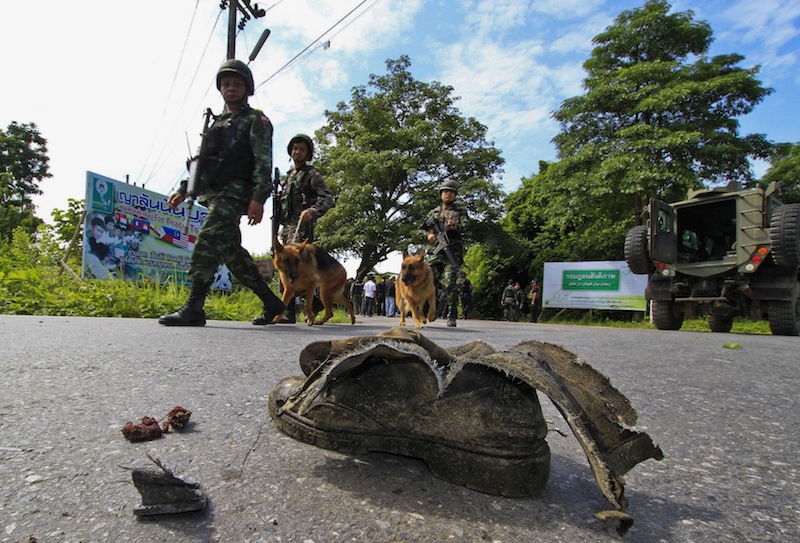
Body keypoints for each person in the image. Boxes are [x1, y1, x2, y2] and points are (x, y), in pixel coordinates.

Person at [159, 59, 285, 327]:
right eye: (226, 84)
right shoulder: (216, 125)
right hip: (216, 192)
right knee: (231, 252)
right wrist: (184, 189)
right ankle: (271, 301)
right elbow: (203, 163)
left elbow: (263, 160)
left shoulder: (256, 120)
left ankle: (194, 306)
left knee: (207, 239)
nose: (231, 89)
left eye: (237, 84)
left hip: (237, 192)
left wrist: (259, 198)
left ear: (247, 89)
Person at [274, 133, 335, 323]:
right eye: (294, 148)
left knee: (294, 268)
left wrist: (313, 211)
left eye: (301, 149)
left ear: (307, 153)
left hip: (302, 228)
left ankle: (290, 312)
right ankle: (313, 305)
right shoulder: (288, 177)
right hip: (286, 229)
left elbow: (328, 198)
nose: (297, 152)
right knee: (284, 266)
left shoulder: (312, 174)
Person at [425, 180, 468, 327]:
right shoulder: (433, 212)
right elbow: (423, 228)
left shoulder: (460, 212)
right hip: (436, 253)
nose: (447, 194)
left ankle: (452, 315)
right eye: (445, 191)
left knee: (450, 283)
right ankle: (431, 309)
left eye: (450, 191)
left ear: (455, 195)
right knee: (429, 280)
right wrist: (429, 235)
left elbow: (467, 226)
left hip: (452, 252)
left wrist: (456, 226)